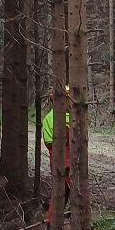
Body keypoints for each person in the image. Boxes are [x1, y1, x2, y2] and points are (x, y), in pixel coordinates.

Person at [42, 85, 72, 222]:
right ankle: (52, 220)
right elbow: (49, 143)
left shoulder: (73, 116)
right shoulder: (50, 118)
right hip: (60, 158)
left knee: (70, 190)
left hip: (72, 158)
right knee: (60, 191)